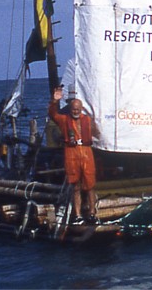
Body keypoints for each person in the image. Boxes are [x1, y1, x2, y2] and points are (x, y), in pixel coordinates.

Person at [47, 86, 99, 223]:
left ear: (81, 109)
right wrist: (54, 101)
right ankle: (77, 215)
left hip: (87, 152)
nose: (75, 111)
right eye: (73, 109)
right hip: (71, 152)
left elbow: (97, 133)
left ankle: (92, 213)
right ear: (70, 109)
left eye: (77, 109)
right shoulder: (64, 120)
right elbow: (52, 114)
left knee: (90, 184)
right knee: (75, 184)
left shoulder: (87, 120)